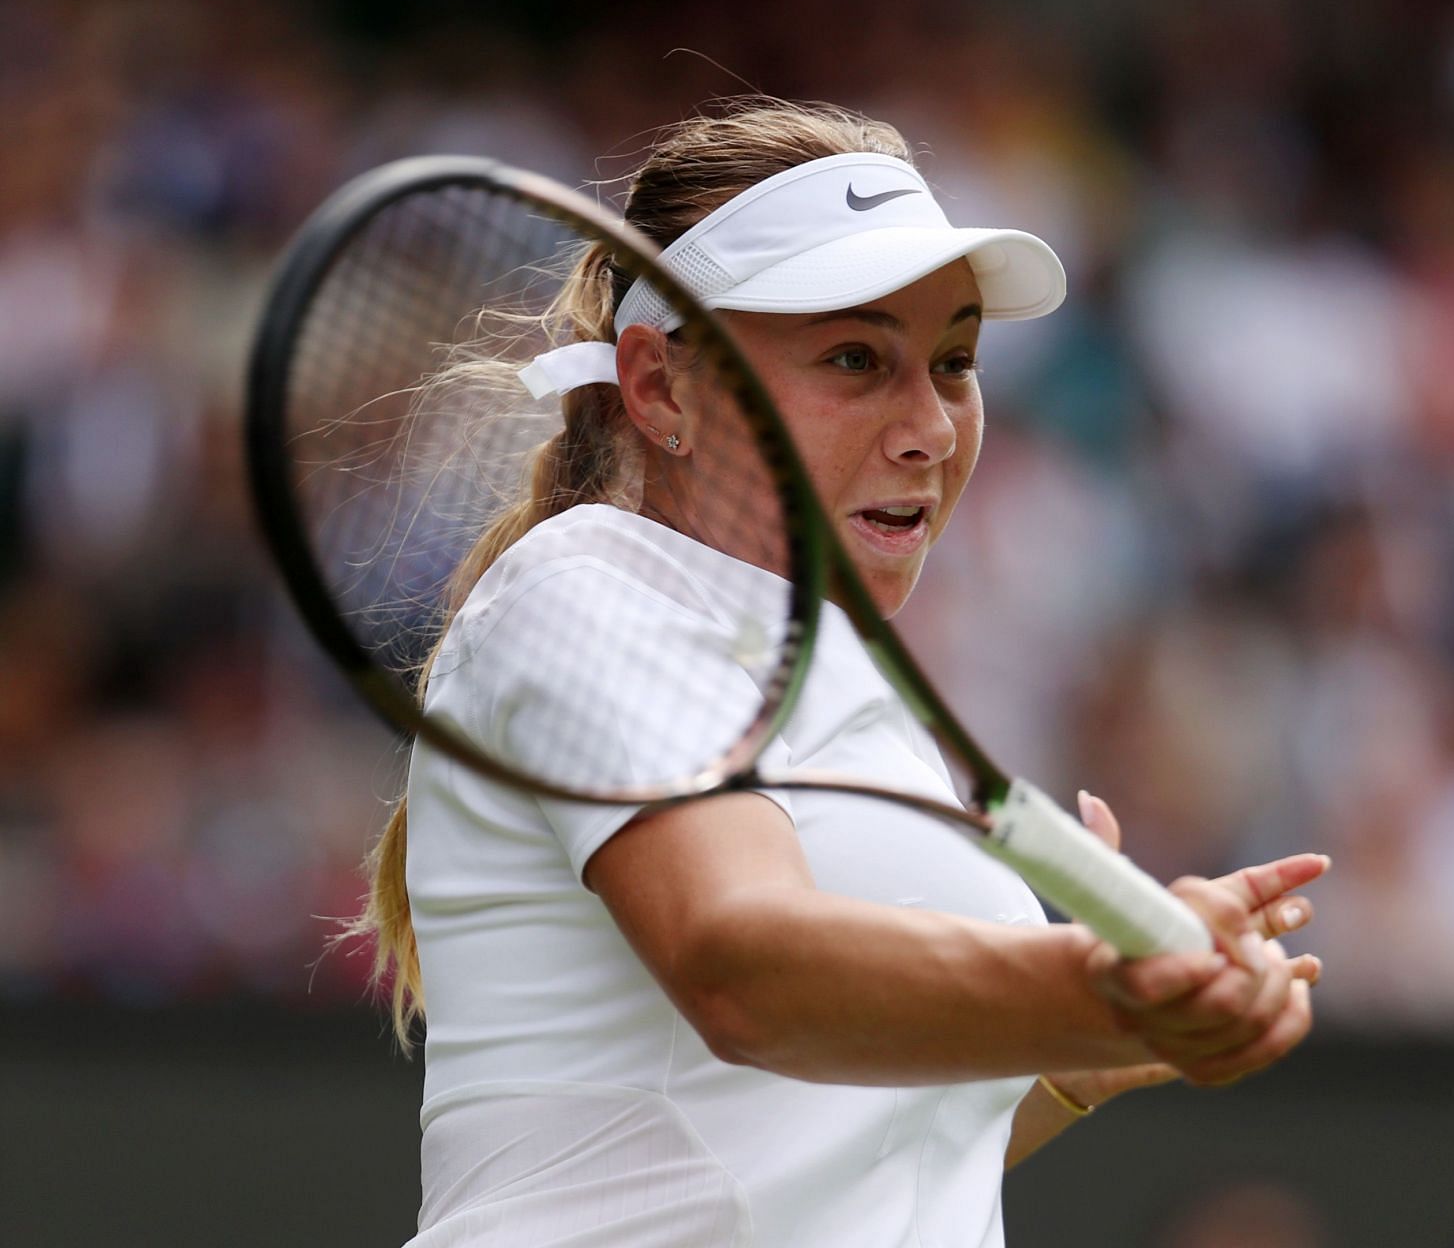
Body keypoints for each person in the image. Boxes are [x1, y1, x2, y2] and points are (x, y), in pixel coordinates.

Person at [354, 98, 1329, 1248]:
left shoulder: (851, 694)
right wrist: (1083, 983)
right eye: (856, 357)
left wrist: (1076, 1054)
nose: (931, 427)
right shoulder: (582, 589)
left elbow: (832, 1160)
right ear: (663, 386)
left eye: (955, 361)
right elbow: (739, 964)